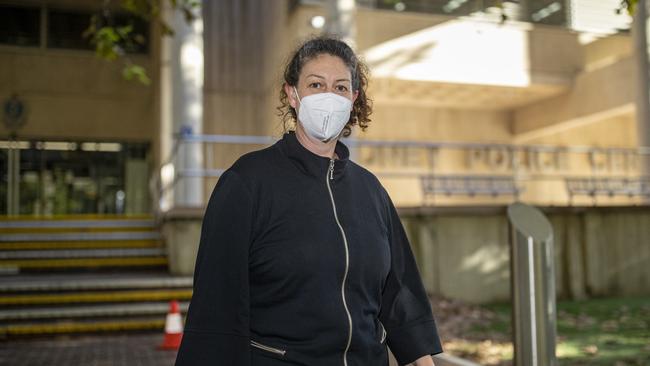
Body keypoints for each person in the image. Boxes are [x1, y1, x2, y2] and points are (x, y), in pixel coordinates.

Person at [175, 37, 442, 366]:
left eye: (341, 87)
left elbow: (399, 293)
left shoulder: (371, 190)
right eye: (316, 84)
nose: (329, 96)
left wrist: (422, 358)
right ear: (293, 94)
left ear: (353, 98)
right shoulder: (247, 182)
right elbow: (217, 307)